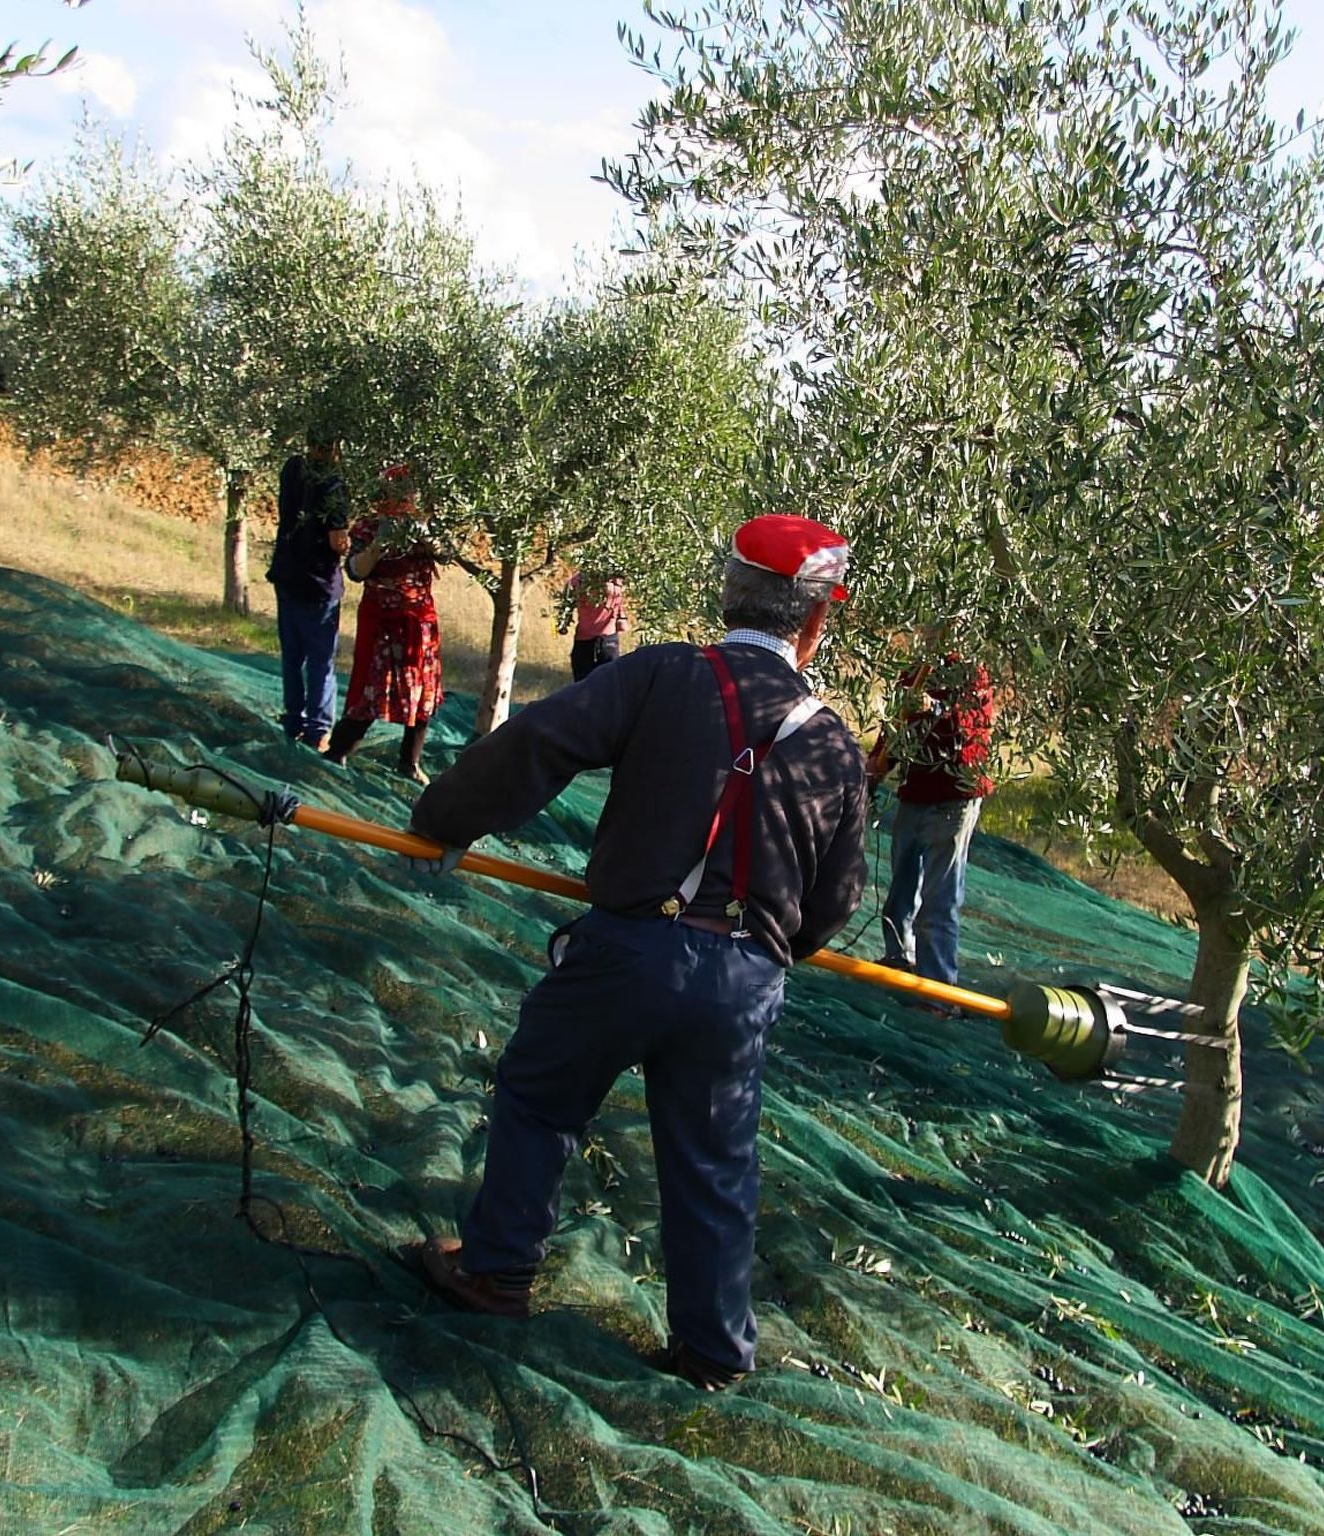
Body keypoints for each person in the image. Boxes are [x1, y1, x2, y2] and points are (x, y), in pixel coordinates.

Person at [402, 514, 868, 1392]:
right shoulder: (836, 745)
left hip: (626, 952)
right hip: (742, 981)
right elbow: (837, 900)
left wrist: (441, 821)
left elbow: (538, 745)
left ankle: (497, 1269)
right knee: (715, 1160)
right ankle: (712, 1352)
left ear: (727, 596)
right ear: (815, 623)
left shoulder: (661, 674)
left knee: (541, 1098)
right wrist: (770, 951)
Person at [867, 648, 995, 990]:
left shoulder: (970, 673)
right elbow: (896, 728)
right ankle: (899, 959)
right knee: (901, 890)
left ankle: (937, 990)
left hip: (953, 798)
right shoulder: (916, 669)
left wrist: (933, 709)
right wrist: (876, 766)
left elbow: (969, 727)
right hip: (915, 793)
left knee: (939, 899)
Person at [324, 465, 443, 783]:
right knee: (372, 691)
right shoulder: (367, 528)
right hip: (383, 623)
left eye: (409, 494)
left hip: (419, 621)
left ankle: (409, 762)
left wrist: (426, 537)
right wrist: (378, 545)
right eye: (399, 494)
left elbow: (447, 554)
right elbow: (356, 570)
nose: (405, 500)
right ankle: (337, 753)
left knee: (424, 693)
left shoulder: (425, 526)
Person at [266, 430, 351, 751]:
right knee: (320, 661)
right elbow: (336, 541)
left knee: (292, 655)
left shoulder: (292, 468)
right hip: (317, 582)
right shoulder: (333, 484)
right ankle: (318, 733)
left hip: (287, 572)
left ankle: (293, 721)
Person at [559, 568, 630, 681]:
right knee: (609, 688)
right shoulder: (615, 582)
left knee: (581, 687)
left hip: (583, 640)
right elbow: (619, 605)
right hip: (608, 641)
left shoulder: (577, 581)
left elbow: (564, 610)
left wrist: (562, 624)